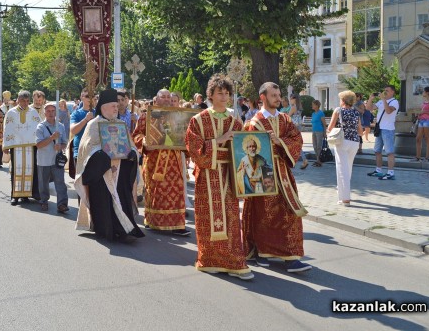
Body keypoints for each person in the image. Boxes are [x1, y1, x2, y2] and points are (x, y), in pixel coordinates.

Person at [185, 74, 253, 280]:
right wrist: (219, 140)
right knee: (208, 217)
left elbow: (244, 150)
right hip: (207, 174)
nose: (224, 97)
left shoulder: (236, 121)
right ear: (211, 95)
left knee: (231, 217)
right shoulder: (199, 119)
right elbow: (193, 149)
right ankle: (209, 260)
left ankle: (234, 261)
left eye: (227, 93)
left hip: (230, 174)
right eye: (219, 93)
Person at [243, 82, 311, 273]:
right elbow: (248, 148)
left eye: (279, 94)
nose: (278, 98)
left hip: (283, 172)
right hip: (262, 172)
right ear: (262, 97)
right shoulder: (253, 122)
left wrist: (279, 141)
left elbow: (296, 138)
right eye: (273, 95)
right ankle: (262, 252)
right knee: (265, 214)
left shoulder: (284, 119)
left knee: (289, 212)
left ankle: (292, 256)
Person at [74, 89, 145, 241]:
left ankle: (124, 229)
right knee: (103, 201)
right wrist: (101, 155)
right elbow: (86, 148)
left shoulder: (121, 124)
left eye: (117, 105)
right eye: (113, 105)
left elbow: (130, 145)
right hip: (101, 173)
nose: (116, 108)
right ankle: (106, 230)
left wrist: (132, 152)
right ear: (103, 107)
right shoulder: (93, 124)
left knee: (121, 198)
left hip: (120, 171)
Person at [133, 89, 190, 236]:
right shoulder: (146, 116)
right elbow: (136, 135)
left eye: (168, 97)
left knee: (177, 191)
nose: (166, 99)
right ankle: (154, 222)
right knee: (156, 191)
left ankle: (178, 224)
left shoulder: (178, 116)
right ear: (156, 99)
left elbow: (184, 136)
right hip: (154, 160)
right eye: (162, 97)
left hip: (174, 160)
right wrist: (144, 141)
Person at [3, 90, 42, 205]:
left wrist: (40, 142)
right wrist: (5, 145)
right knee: (16, 170)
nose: (25, 103)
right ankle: (14, 195)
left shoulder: (33, 112)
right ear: (18, 100)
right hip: (16, 146)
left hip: (31, 146)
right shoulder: (11, 113)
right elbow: (7, 129)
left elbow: (38, 127)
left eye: (27, 101)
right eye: (22, 100)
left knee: (30, 170)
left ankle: (26, 195)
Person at [327, 91, 362, 206]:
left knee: (342, 169)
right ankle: (343, 192)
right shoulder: (356, 113)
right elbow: (360, 131)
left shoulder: (338, 110)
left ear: (343, 100)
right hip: (355, 142)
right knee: (348, 167)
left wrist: (329, 132)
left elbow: (330, 127)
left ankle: (345, 198)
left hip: (342, 141)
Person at [36, 103, 69, 213]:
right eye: (48, 111)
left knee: (60, 183)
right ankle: (44, 201)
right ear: (44, 113)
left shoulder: (60, 126)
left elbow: (65, 143)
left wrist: (61, 146)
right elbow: (39, 145)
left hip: (56, 160)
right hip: (43, 160)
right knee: (43, 183)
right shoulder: (40, 126)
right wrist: (52, 138)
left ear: (56, 112)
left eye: (53, 111)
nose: (51, 113)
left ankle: (62, 204)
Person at [366, 85, 399, 180]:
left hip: (388, 129)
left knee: (389, 152)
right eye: (384, 90)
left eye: (387, 91)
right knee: (377, 151)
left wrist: (384, 100)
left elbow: (388, 111)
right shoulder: (381, 101)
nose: (385, 92)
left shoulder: (394, 102)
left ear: (392, 92)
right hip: (379, 128)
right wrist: (370, 99)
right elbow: (369, 108)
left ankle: (390, 173)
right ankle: (378, 170)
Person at [413, 86, 429, 162]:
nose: (422, 92)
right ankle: (418, 157)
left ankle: (427, 158)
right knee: (418, 138)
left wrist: (424, 112)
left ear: (427, 92)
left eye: (424, 91)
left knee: (427, 138)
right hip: (421, 120)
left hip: (428, 121)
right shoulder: (424, 101)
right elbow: (423, 111)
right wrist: (419, 114)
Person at [70, 89, 94, 164]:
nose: (90, 99)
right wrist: (86, 119)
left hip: (95, 152)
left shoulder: (98, 113)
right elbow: (73, 130)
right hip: (80, 152)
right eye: (87, 96)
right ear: (82, 97)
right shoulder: (76, 114)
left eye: (92, 96)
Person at [288, 94, 308, 169]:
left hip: (294, 127)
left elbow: (288, 116)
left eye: (291, 98)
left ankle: (296, 160)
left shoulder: (293, 107)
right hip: (298, 126)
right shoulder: (299, 107)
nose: (290, 100)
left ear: (294, 99)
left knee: (292, 143)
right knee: (296, 143)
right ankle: (303, 159)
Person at [311, 100, 327, 167]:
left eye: (313, 104)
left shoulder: (321, 113)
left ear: (317, 106)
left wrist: (325, 133)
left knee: (319, 146)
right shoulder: (313, 114)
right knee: (314, 146)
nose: (312, 106)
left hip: (319, 131)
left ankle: (319, 161)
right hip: (314, 131)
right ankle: (317, 159)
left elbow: (324, 124)